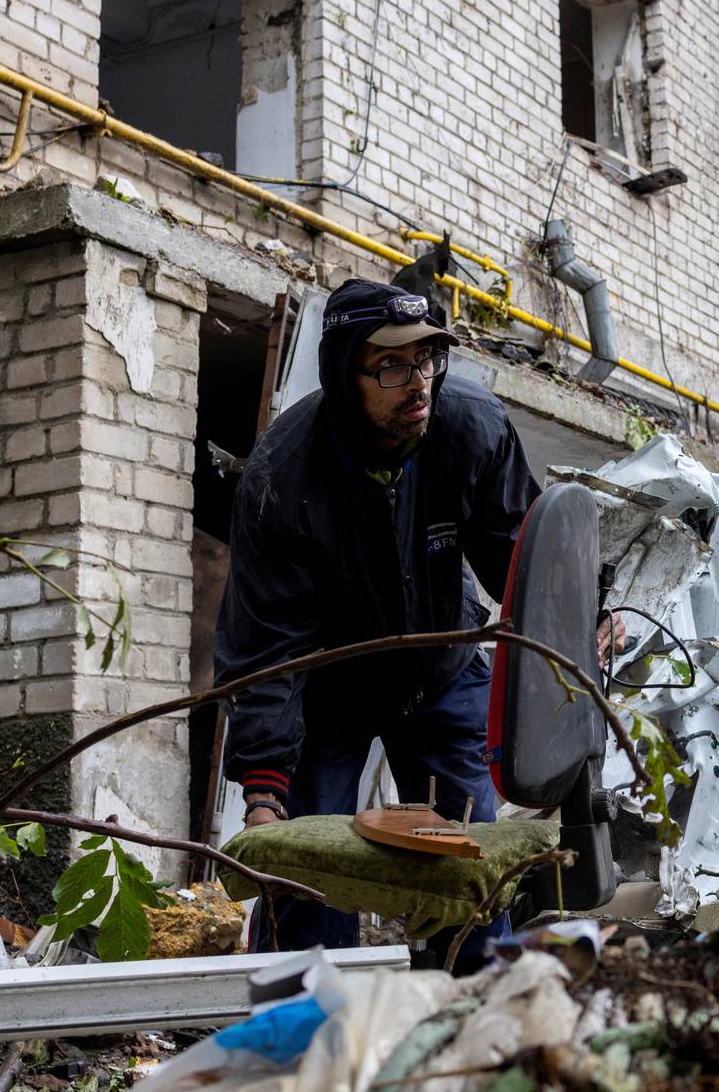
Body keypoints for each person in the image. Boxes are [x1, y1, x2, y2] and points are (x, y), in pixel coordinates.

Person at [214, 276, 539, 953]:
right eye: (391, 364)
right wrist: (264, 792)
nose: (417, 381)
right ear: (343, 371)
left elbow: (523, 556)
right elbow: (267, 647)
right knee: (306, 882)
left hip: (441, 674)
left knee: (470, 870)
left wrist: (577, 617)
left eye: (425, 358)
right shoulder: (283, 477)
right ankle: (305, 1032)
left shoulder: (471, 429)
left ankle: (471, 1022)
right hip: (327, 698)